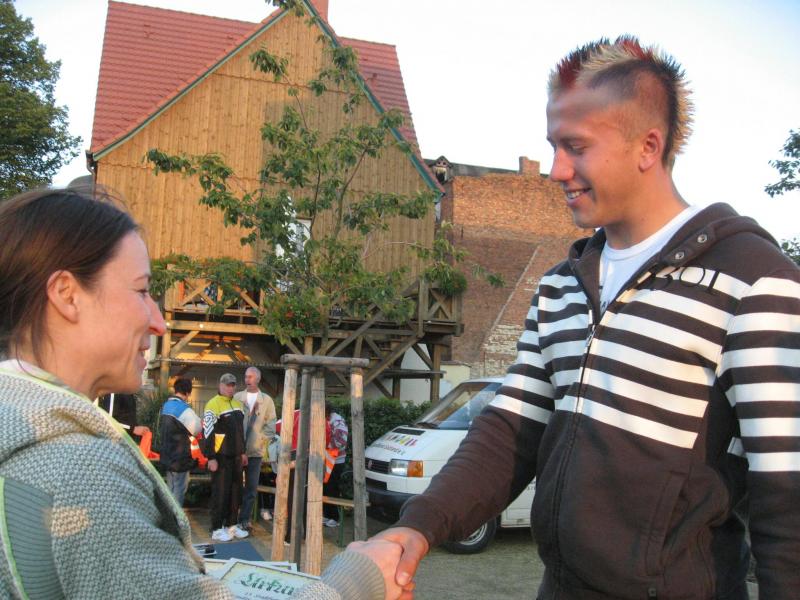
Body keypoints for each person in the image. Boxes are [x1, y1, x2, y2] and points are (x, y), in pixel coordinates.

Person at [368, 37, 800, 599]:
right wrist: (415, 528)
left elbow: (786, 495)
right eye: (553, 146)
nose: (555, 170)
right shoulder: (561, 285)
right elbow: (512, 430)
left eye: (576, 147)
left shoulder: (752, 281)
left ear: (648, 146)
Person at [0, 186, 232, 598]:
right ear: (67, 295)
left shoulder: (16, 431)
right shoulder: (81, 473)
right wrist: (349, 580)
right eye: (142, 291)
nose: (158, 322)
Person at [202, 373, 248, 542]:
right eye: (227, 385)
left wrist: (243, 452)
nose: (230, 388)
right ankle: (216, 528)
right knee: (220, 493)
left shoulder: (238, 405)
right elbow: (207, 432)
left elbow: (240, 432)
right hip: (220, 457)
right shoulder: (212, 404)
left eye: (233, 385)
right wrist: (210, 457)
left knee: (236, 493)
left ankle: (232, 526)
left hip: (236, 457)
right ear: (220, 385)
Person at [234, 366, 276, 530]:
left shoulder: (267, 400)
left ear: (258, 379)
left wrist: (259, 441)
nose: (247, 379)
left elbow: (271, 426)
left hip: (255, 452)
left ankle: (245, 519)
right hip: (237, 451)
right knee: (235, 486)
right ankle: (232, 518)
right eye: (246, 376)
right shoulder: (237, 397)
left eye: (250, 377)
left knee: (251, 488)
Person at [160, 376, 202, 506]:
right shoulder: (184, 409)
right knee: (179, 490)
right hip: (180, 458)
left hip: (167, 455)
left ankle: (168, 516)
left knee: (170, 489)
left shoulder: (166, 406)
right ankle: (176, 517)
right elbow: (197, 429)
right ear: (188, 393)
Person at [323, 401, 349, 527]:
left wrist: (323, 445)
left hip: (336, 460)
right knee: (324, 487)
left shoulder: (337, 421)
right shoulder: (325, 419)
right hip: (325, 459)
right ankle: (327, 515)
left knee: (332, 488)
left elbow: (341, 441)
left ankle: (335, 517)